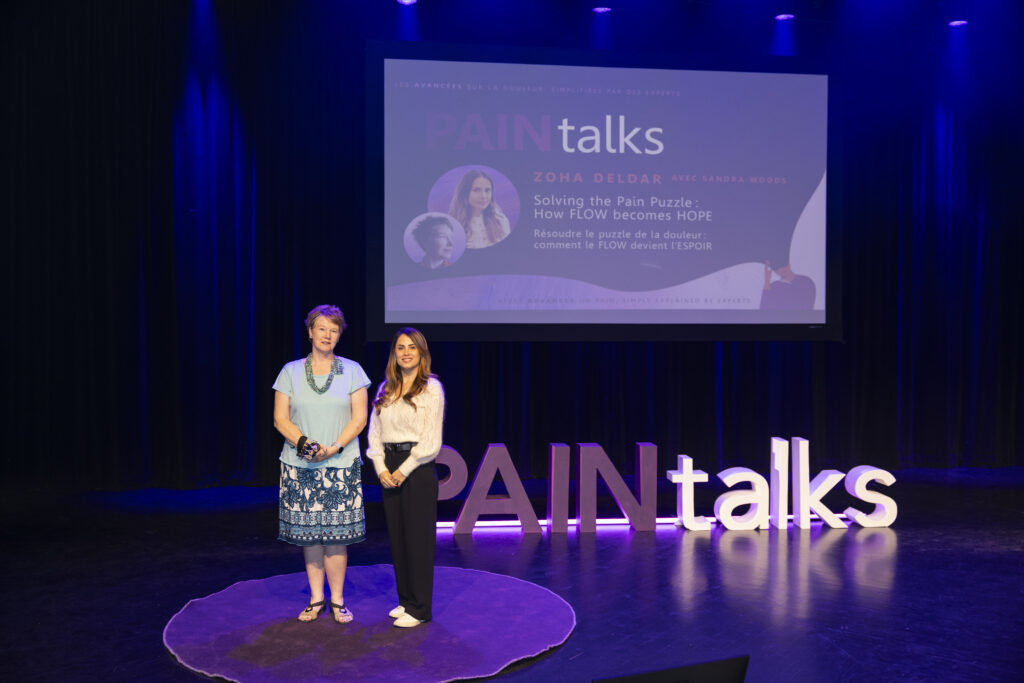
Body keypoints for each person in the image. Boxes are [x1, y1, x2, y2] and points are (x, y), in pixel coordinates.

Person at [272, 305, 370, 624]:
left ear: (339, 335)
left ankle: (338, 600)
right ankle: (316, 599)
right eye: (322, 328)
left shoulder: (353, 370)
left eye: (334, 330)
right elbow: (280, 419)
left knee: (336, 537)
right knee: (310, 537)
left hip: (340, 465)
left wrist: (333, 447)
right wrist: (305, 444)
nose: (327, 335)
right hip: (300, 466)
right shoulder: (290, 371)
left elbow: (359, 418)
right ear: (310, 331)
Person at [366, 327, 445, 628]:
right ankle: (406, 601)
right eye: (401, 347)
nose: (406, 352)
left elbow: (431, 442)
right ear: (394, 354)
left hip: (417, 468)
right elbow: (374, 434)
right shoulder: (386, 388)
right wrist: (382, 469)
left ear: (422, 353)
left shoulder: (431, 388)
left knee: (418, 540)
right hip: (389, 466)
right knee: (398, 538)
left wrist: (402, 470)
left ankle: (421, 609)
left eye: (412, 347)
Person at [447, 169, 511, 248]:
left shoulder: (501, 221)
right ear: (465, 193)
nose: (483, 196)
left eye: (487, 190)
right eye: (477, 190)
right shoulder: (451, 225)